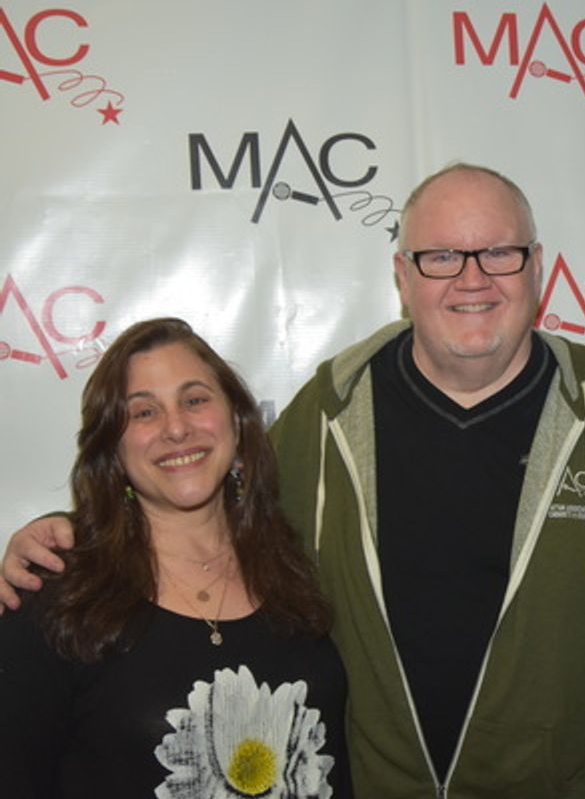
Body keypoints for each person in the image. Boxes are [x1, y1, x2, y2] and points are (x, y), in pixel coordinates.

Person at [2, 164, 585, 798]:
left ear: (537, 268)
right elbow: (203, 486)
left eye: (499, 251)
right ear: (402, 275)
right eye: (439, 257)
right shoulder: (332, 408)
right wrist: (68, 536)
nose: (472, 277)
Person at [0, 317, 351, 798]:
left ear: (237, 420)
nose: (177, 428)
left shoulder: (300, 562)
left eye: (195, 400)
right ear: (113, 449)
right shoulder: (57, 593)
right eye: (143, 413)